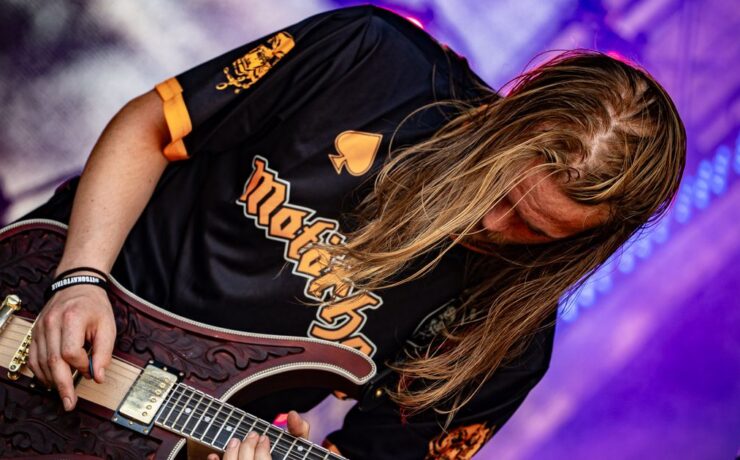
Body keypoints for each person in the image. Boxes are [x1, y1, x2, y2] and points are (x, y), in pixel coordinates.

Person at [22, 4, 686, 459]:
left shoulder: (504, 344)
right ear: (504, 117)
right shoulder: (371, 59)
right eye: (502, 187)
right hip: (40, 295)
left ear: (583, 242)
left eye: (534, 228)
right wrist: (80, 278)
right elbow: (151, 127)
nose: (491, 223)